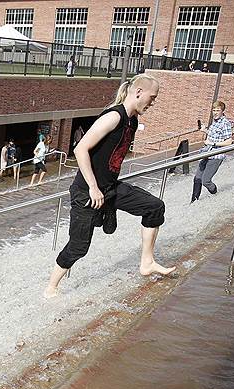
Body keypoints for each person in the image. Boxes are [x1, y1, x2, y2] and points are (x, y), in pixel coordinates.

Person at [44, 74, 174, 299]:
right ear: (139, 92)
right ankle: (51, 288)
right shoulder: (114, 117)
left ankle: (147, 261)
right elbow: (80, 149)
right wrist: (93, 187)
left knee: (154, 207)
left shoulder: (132, 121)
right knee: (78, 247)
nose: (152, 103)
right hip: (87, 192)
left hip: (110, 189)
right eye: (152, 98)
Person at [192, 101, 233, 202]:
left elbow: (229, 142)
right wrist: (204, 130)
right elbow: (213, 134)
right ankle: (193, 201)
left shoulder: (225, 123)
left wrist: (213, 143)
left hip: (216, 156)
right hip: (206, 153)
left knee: (205, 181)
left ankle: (215, 194)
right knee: (197, 178)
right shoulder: (215, 122)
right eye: (213, 110)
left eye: (217, 110)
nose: (215, 112)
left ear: (222, 111)